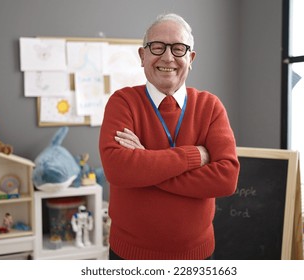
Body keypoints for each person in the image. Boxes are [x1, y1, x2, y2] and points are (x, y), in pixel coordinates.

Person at [99, 13, 240, 260]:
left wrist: (145, 163)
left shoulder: (210, 106)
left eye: (178, 48)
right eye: (157, 47)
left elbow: (226, 179)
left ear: (190, 58)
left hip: (197, 257)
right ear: (143, 56)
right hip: (129, 257)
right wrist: (194, 155)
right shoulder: (122, 102)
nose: (167, 57)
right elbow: (117, 169)